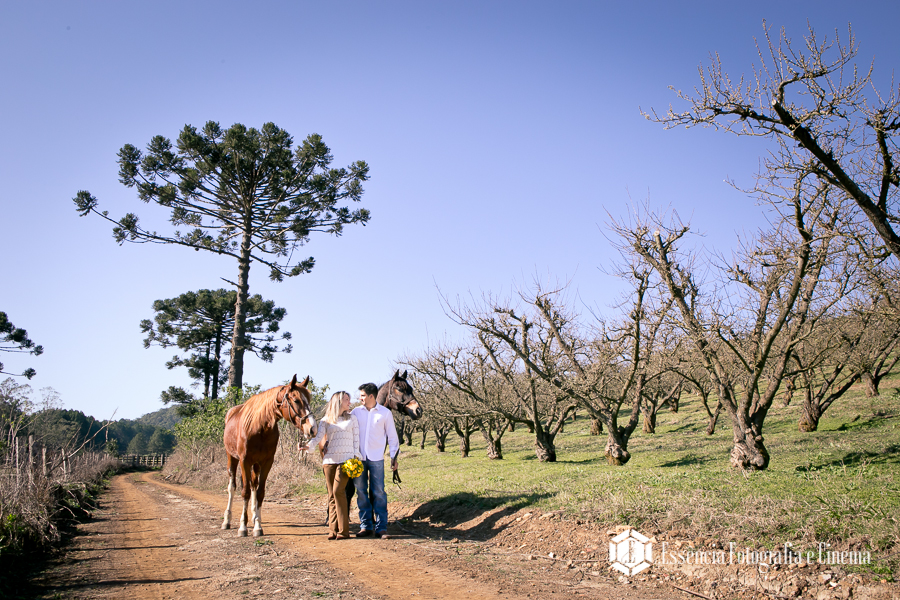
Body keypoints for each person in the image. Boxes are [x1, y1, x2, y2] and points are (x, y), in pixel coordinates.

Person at [298, 391, 361, 540]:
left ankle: (344, 531)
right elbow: (318, 438)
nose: (349, 403)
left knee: (339, 491)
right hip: (329, 461)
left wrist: (356, 457)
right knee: (331, 495)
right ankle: (332, 530)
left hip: (346, 461)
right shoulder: (325, 420)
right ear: (338, 401)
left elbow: (356, 440)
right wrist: (308, 446)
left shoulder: (352, 419)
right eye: (347, 400)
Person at [351, 382, 400, 539]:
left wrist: (394, 457)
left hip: (377, 458)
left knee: (378, 492)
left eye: (363, 395)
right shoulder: (355, 412)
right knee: (361, 492)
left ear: (371, 396)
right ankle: (365, 526)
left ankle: (381, 528)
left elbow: (392, 437)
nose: (360, 398)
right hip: (359, 459)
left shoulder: (385, 413)